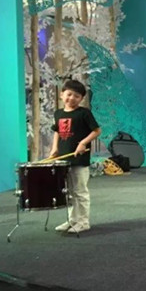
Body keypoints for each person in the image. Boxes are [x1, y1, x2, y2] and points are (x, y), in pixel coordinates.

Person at [49, 80, 102, 234]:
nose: (72, 98)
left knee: (80, 191)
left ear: (81, 99)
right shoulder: (58, 113)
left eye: (76, 96)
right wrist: (54, 148)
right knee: (69, 192)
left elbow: (96, 131)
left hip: (79, 160)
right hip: (64, 159)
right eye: (69, 94)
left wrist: (83, 143)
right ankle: (72, 220)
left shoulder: (84, 113)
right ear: (62, 95)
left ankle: (83, 222)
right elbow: (57, 131)